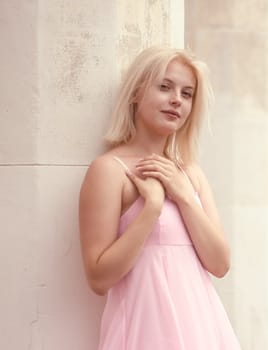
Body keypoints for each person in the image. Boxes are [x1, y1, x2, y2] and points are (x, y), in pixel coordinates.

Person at [78, 47, 241, 349]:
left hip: (202, 330)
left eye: (187, 93)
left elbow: (219, 263)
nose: (177, 99)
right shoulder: (109, 171)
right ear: (137, 93)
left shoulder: (191, 173)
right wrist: (150, 209)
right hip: (144, 332)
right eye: (165, 87)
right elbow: (98, 278)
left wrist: (184, 197)